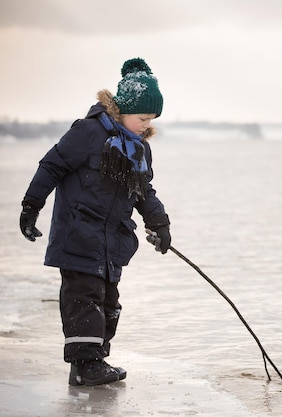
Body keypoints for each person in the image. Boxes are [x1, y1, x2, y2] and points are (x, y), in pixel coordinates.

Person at [19, 57, 172, 386]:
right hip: (79, 234)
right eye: (142, 117)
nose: (146, 125)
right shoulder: (89, 133)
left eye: (151, 120)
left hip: (112, 241)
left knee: (108, 303)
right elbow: (52, 165)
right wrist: (32, 205)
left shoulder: (139, 150)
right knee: (83, 298)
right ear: (122, 110)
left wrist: (160, 225)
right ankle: (86, 365)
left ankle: (93, 362)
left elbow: (144, 192)